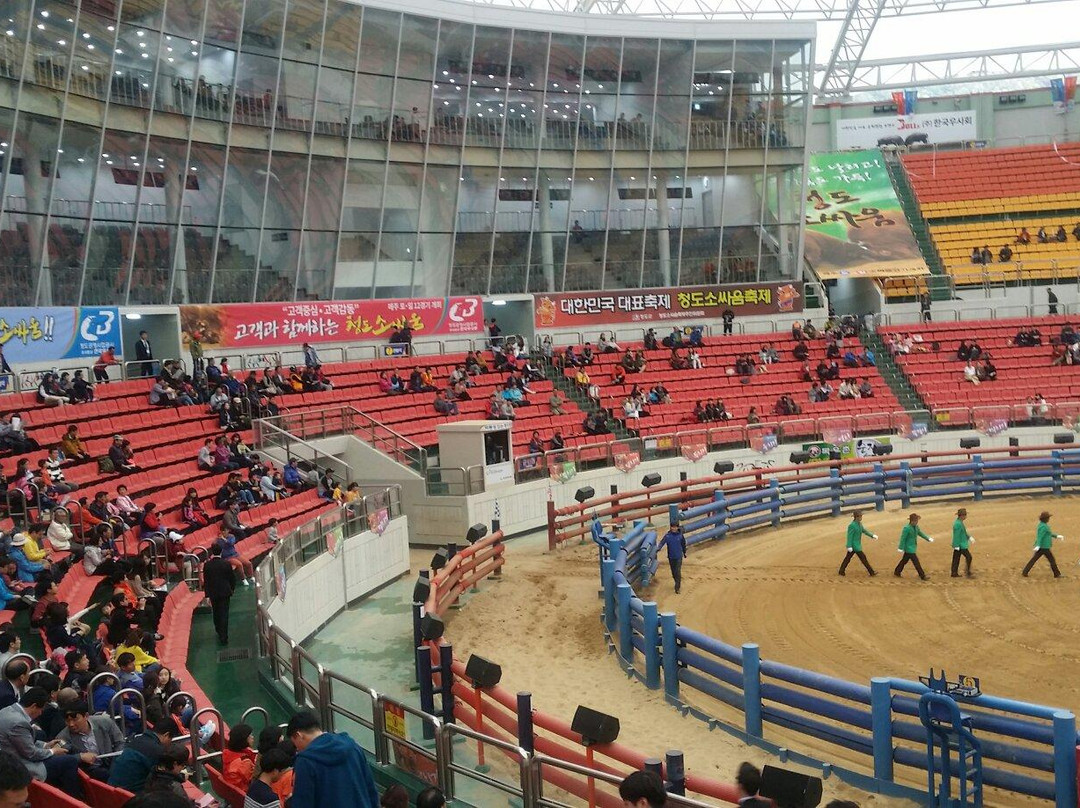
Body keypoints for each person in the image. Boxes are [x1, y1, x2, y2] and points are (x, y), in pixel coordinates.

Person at [0, 687, 89, 797]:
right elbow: (31, 754)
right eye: (41, 710)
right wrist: (52, 751)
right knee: (69, 762)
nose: (41, 713)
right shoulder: (18, 723)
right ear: (34, 706)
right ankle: (74, 799)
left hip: (13, 755)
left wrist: (46, 745)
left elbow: (23, 743)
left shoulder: (7, 710)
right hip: (21, 765)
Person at [286, 709, 378, 808]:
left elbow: (303, 802)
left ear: (299, 735)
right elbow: (371, 790)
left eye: (295, 743)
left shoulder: (305, 761)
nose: (297, 749)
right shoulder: (353, 747)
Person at [57, 700, 125, 779]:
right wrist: (80, 757)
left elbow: (120, 742)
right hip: (88, 773)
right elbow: (60, 760)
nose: (71, 724)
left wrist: (116, 764)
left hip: (111, 763)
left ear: (86, 716)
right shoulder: (63, 737)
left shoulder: (105, 723)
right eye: (68, 721)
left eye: (75, 719)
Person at [108, 718, 174, 792]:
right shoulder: (157, 750)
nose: (170, 743)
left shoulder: (136, 740)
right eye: (171, 739)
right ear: (166, 735)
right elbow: (165, 776)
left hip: (113, 790)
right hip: (130, 795)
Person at [203, 544, 236, 645]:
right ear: (221, 551)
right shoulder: (226, 564)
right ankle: (224, 636)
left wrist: (207, 595)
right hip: (225, 592)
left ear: (212, 552)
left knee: (216, 612)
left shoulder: (207, 565)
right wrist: (232, 589)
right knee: (224, 614)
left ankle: (218, 630)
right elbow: (232, 578)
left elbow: (206, 581)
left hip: (213, 592)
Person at [1022, 511, 1063, 578]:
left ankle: (1025, 572)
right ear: (1046, 519)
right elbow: (1040, 536)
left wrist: (1057, 536)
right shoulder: (1044, 526)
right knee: (1052, 560)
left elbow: (1048, 534)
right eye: (1048, 518)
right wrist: (1038, 545)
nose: (1049, 519)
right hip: (1044, 547)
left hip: (1042, 547)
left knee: (1034, 559)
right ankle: (1057, 574)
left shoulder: (1041, 525)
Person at [895, 513, 934, 580]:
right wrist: (900, 547)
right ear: (912, 521)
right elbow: (903, 538)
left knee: (904, 561)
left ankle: (897, 571)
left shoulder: (916, 527)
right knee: (916, 562)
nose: (917, 522)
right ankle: (922, 575)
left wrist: (927, 538)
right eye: (916, 521)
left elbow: (920, 533)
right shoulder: (906, 528)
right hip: (908, 548)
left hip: (912, 547)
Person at [839, 511, 877, 577]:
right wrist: (849, 546)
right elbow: (849, 536)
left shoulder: (859, 524)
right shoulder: (852, 525)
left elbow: (864, 531)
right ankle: (871, 572)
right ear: (856, 517)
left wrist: (872, 535)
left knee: (847, 558)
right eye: (860, 516)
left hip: (857, 545)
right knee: (863, 558)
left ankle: (841, 571)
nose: (861, 517)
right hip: (854, 546)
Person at [223, 723, 257, 792]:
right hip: (242, 792)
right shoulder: (244, 762)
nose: (252, 737)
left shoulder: (227, 753)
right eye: (250, 736)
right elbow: (252, 779)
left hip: (230, 790)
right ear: (244, 740)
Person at [656, 523, 687, 594]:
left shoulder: (680, 536)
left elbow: (683, 544)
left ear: (677, 528)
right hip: (671, 557)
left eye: (675, 527)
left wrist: (684, 552)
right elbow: (662, 542)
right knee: (673, 572)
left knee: (677, 571)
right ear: (671, 527)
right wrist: (658, 548)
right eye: (672, 527)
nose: (674, 528)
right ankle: (676, 581)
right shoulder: (667, 536)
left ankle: (677, 587)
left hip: (679, 556)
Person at [950, 508, 975, 578]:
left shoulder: (958, 522)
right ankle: (968, 572)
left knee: (956, 558)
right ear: (962, 516)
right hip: (960, 545)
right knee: (969, 557)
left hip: (959, 544)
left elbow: (963, 533)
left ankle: (954, 573)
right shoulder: (958, 524)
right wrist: (957, 545)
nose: (966, 516)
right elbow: (956, 536)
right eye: (965, 515)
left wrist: (969, 537)